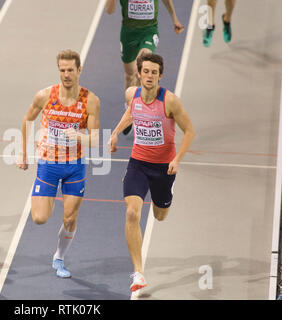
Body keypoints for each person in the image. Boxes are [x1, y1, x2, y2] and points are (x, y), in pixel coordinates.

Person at [109, 53, 194, 292]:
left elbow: (189, 132)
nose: (149, 76)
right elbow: (131, 113)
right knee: (132, 214)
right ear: (138, 73)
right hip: (138, 164)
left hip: (163, 169)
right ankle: (138, 273)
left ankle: (166, 197)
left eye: (154, 73)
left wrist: (177, 159)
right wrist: (116, 132)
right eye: (145, 71)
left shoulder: (170, 101)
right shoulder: (131, 94)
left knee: (160, 215)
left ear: (160, 76)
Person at [16, 49, 100, 278]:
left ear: (79, 70)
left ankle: (59, 257)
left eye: (70, 70)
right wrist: (22, 152)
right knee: (40, 218)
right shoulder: (44, 96)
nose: (66, 74)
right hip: (48, 164)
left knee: (70, 218)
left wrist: (80, 137)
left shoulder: (90, 101)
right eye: (62, 70)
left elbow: (94, 137)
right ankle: (48, 195)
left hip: (74, 166)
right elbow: (27, 120)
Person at [105, 0, 184, 135]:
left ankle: (139, 111)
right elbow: (109, 10)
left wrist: (175, 18)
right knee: (130, 74)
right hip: (128, 34)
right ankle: (128, 107)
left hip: (149, 31)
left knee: (142, 66)